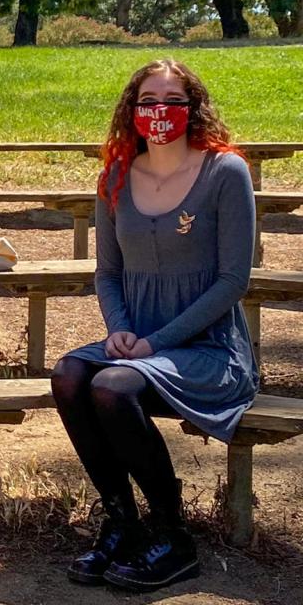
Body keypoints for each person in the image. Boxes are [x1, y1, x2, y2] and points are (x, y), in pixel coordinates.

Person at [52, 59, 257, 592]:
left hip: (207, 348)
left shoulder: (224, 172)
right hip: (138, 342)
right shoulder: (116, 175)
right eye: (148, 101)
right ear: (132, 108)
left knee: (113, 384)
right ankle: (122, 524)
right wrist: (118, 329)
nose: (159, 112)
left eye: (172, 100)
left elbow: (234, 280)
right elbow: (109, 272)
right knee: (71, 374)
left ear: (193, 109)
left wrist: (153, 343)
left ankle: (173, 536)